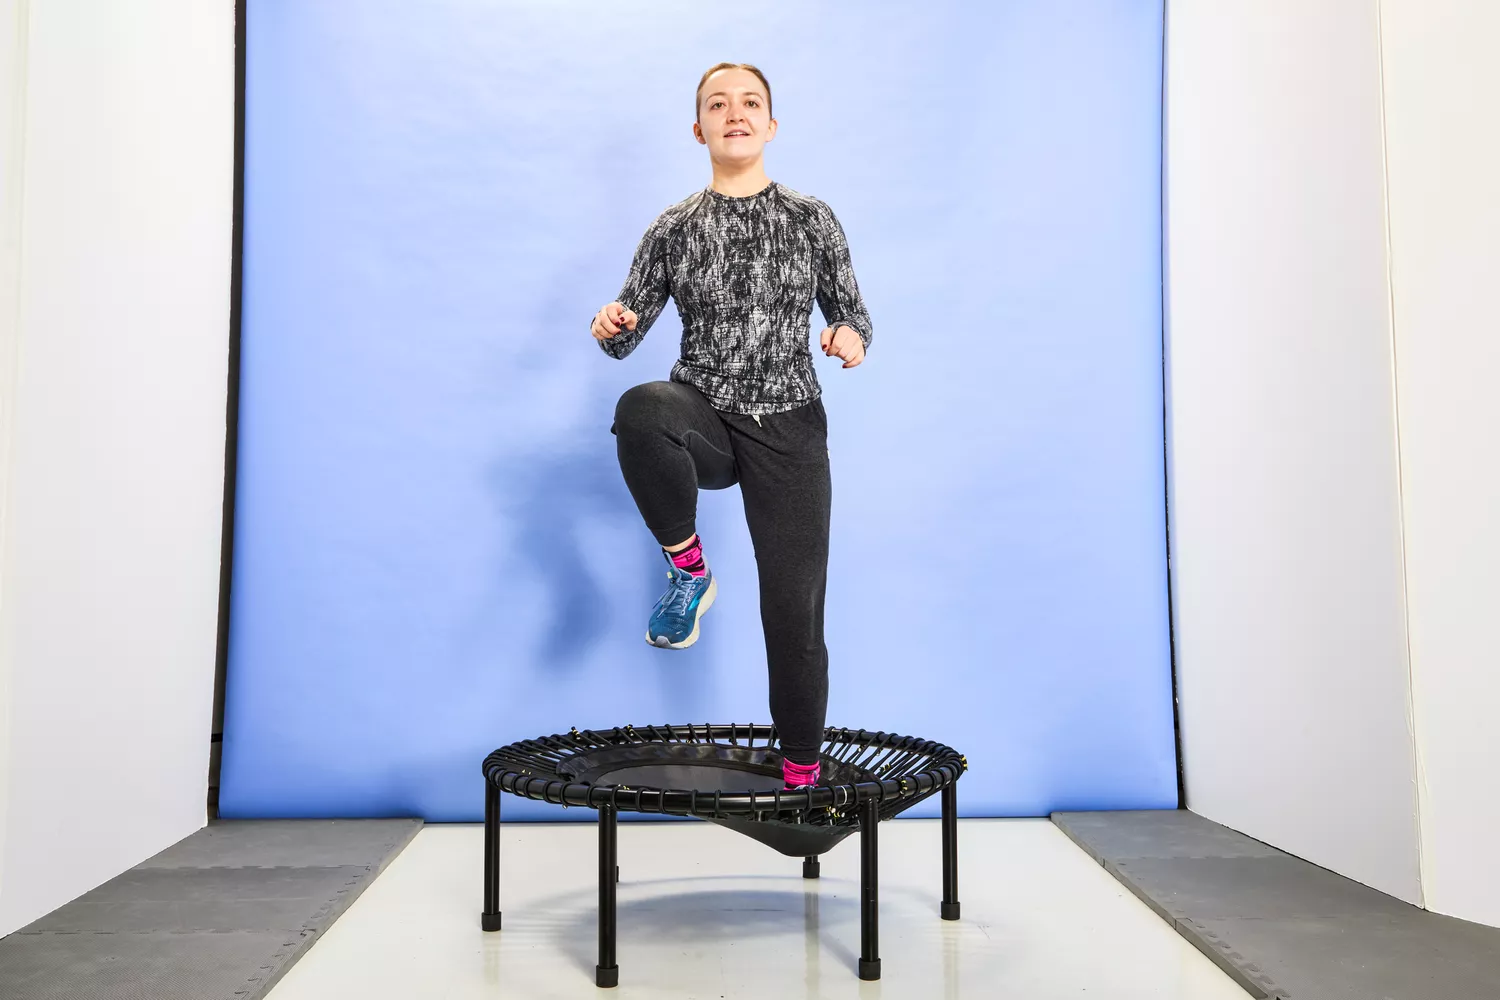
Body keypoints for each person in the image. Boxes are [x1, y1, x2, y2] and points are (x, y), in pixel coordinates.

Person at [590, 62, 873, 789]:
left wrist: (847, 335)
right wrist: (609, 324)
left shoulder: (811, 217)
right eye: (718, 105)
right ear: (699, 129)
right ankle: (689, 571)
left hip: (790, 427)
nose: (735, 113)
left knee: (794, 610)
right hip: (705, 415)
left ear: (771, 125)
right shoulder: (674, 227)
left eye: (750, 103)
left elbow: (852, 309)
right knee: (641, 408)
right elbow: (626, 332)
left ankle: (803, 775)